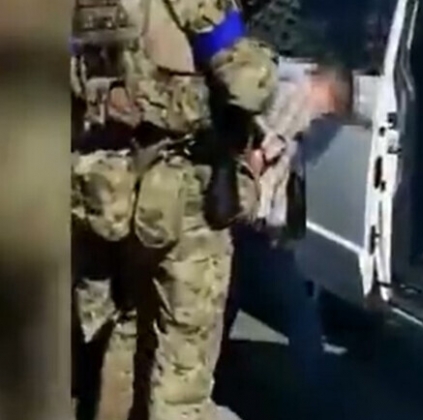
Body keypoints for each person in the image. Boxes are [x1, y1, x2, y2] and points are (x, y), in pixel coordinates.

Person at [70, 0, 277, 419]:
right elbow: (250, 84)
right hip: (184, 208)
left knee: (127, 337)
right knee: (182, 376)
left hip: (111, 199)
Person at [220, 62, 354, 419]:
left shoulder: (283, 88)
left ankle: (211, 368)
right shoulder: (299, 99)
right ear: (326, 91)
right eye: (330, 109)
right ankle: (318, 397)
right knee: (297, 310)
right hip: (257, 224)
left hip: (249, 222)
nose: (324, 118)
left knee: (230, 295)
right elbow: (262, 157)